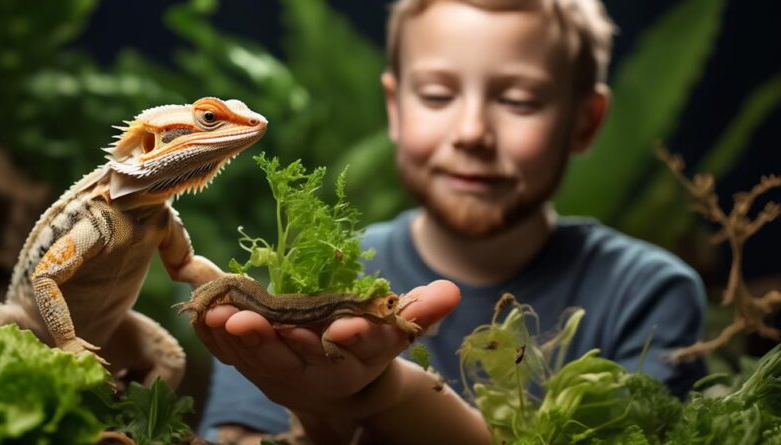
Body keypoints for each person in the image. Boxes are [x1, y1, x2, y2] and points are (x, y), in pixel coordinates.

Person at [196, 0, 706, 443]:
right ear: (394, 107)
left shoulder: (648, 293)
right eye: (438, 95)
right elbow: (242, 432)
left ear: (586, 121)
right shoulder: (320, 268)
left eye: (520, 100)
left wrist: (389, 396)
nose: (471, 132)